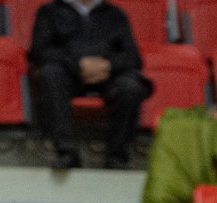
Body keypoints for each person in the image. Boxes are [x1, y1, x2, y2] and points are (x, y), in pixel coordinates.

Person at [26, 0, 152, 171]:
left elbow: (133, 57)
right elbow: (39, 51)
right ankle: (67, 152)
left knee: (130, 88)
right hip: (68, 72)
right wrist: (78, 64)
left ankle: (117, 157)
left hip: (107, 74)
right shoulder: (49, 12)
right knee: (50, 74)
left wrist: (109, 65)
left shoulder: (115, 14)